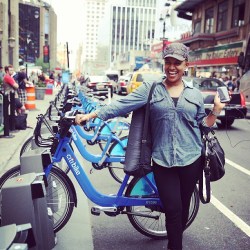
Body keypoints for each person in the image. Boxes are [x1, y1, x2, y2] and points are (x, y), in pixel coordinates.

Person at [75, 43, 226, 250]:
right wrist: (91, 115)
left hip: (191, 160)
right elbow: (120, 105)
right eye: (168, 62)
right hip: (163, 161)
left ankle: (174, 243)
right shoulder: (151, 89)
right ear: (163, 64)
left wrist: (216, 111)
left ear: (186, 65)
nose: (172, 67)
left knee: (182, 210)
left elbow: (202, 125)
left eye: (177, 63)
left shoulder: (195, 94)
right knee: (172, 209)